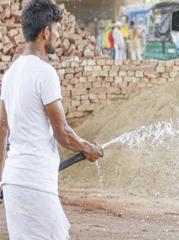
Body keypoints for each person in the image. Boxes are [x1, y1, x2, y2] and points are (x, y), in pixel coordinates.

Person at [0, 0, 103, 239]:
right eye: (56, 29)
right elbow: (63, 133)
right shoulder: (44, 72)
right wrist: (88, 148)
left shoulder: (11, 73)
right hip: (35, 182)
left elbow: (2, 128)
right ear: (46, 32)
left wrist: (2, 177)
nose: (58, 35)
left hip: (14, 181)